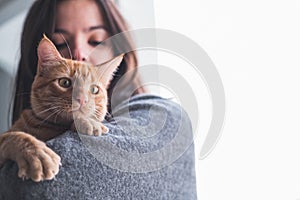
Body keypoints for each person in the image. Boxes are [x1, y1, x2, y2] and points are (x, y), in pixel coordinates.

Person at [0, 0, 198, 199]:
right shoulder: (25, 125)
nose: (79, 54)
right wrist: (15, 143)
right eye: (60, 43)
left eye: (96, 40)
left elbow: (28, 189)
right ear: (40, 67)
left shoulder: (163, 118)